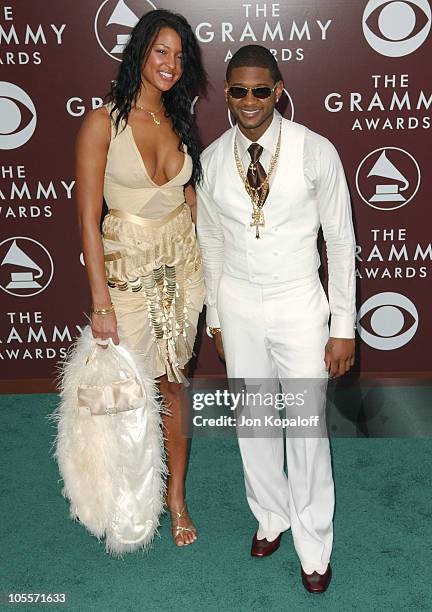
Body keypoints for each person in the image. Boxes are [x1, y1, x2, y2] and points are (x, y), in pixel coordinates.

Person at [197, 45, 356, 592]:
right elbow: (210, 242)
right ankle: (271, 515)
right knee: (255, 423)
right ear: (227, 92)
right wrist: (216, 314)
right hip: (238, 304)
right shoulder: (214, 159)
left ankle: (314, 543)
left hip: (299, 303)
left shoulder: (316, 152)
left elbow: (340, 240)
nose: (248, 101)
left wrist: (342, 326)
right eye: (237, 91)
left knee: (307, 430)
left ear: (279, 89)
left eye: (260, 90)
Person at [75, 9, 207, 547]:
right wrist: (100, 302)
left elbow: (190, 201)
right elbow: (87, 218)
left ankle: (176, 499)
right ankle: (129, 500)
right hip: (128, 280)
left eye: (179, 56)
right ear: (139, 54)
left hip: (183, 275)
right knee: (129, 393)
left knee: (175, 388)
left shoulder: (178, 121)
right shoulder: (103, 123)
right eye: (160, 52)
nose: (170, 65)